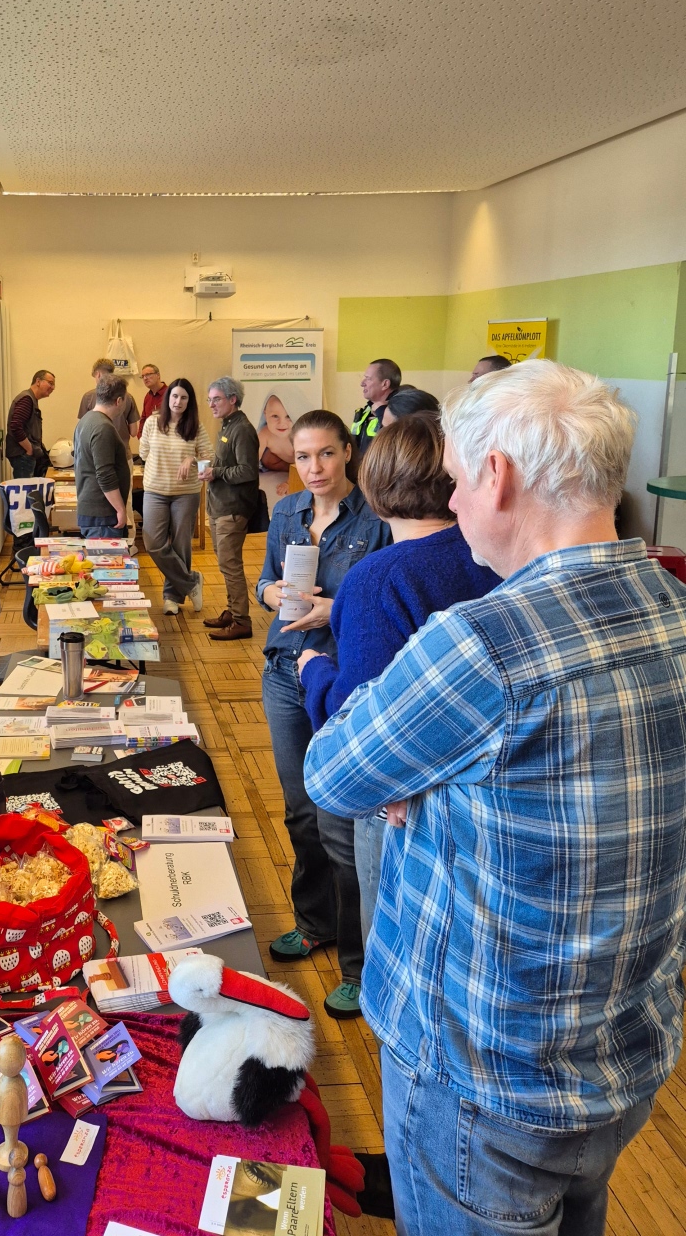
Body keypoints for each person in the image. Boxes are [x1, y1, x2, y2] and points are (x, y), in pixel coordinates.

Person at [304, 361, 686, 1234]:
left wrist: (417, 765)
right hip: (625, 1057)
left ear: (497, 477)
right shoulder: (673, 607)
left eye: (457, 475)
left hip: (483, 1078)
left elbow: (335, 771)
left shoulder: (480, 646)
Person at [299, 413, 499, 974]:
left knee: (396, 959)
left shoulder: (379, 577)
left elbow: (354, 721)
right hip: (479, 800)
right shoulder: (494, 554)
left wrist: (314, 670)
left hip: (401, 804)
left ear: (374, 481)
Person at [255, 410, 391, 990]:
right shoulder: (286, 511)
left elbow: (384, 611)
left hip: (341, 683)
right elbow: (263, 583)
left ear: (348, 454)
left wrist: (332, 608)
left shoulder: (377, 522)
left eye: (327, 454)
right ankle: (315, 922)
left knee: (344, 824)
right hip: (285, 672)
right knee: (300, 812)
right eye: (304, 456)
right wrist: (272, 592)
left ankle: (360, 963)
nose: (314, 468)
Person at [139, 377, 212, 614]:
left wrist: (193, 460)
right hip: (155, 492)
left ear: (189, 402)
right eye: (174, 396)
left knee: (181, 546)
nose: (178, 401)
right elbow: (143, 453)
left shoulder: (196, 427)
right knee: (153, 543)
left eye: (183, 397)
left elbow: (208, 463)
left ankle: (172, 597)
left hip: (186, 494)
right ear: (167, 397)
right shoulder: (152, 423)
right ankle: (191, 581)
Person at [201, 377, 260, 640]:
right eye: (209, 399)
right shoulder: (228, 425)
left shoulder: (243, 429)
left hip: (233, 509)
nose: (211, 404)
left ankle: (241, 621)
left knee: (231, 565)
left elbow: (248, 470)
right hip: (220, 506)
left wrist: (217, 471)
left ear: (232, 399)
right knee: (226, 564)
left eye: (217, 399)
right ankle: (232, 610)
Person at [74, 373, 131, 538]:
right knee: (107, 563)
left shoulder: (85, 421)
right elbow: (105, 474)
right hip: (102, 516)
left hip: (95, 512)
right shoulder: (103, 427)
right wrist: (121, 509)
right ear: (119, 401)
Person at [78, 358, 140, 451]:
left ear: (98, 374)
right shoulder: (128, 397)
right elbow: (134, 432)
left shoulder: (88, 397)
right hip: (122, 452)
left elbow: (82, 430)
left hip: (96, 453)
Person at [5, 369, 55, 477]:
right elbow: (15, 426)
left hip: (24, 455)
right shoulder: (26, 399)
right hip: (23, 456)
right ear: (38, 381)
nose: (53, 388)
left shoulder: (31, 399)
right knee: (24, 492)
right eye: (50, 383)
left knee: (27, 491)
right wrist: (29, 450)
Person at [350, 359, 401, 451]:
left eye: (368, 378)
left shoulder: (399, 414)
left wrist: (382, 412)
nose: (362, 383)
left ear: (385, 384)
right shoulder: (365, 411)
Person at [257, 392, 295, 472]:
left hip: (303, 461)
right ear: (265, 414)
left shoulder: (298, 435)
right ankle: (289, 468)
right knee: (267, 459)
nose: (282, 423)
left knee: (306, 462)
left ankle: (294, 472)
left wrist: (289, 483)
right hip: (283, 460)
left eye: (288, 416)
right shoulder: (265, 433)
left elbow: (305, 460)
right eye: (275, 416)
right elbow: (253, 458)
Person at [137, 362, 168, 433]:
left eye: (148, 374)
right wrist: (141, 436)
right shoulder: (148, 396)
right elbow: (143, 419)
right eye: (143, 376)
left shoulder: (170, 394)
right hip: (148, 440)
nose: (145, 378)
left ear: (158, 375)